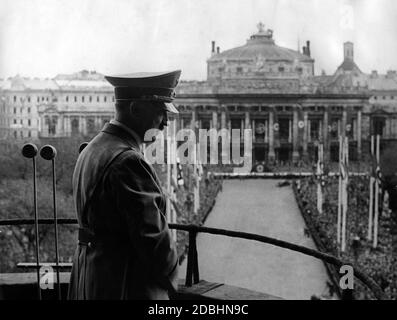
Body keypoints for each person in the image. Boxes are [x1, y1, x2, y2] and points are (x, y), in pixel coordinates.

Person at [67, 70, 181, 300]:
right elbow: (156, 246)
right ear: (136, 109)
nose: (166, 123)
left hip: (92, 278)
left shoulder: (93, 148)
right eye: (161, 112)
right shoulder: (129, 161)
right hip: (124, 286)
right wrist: (170, 281)